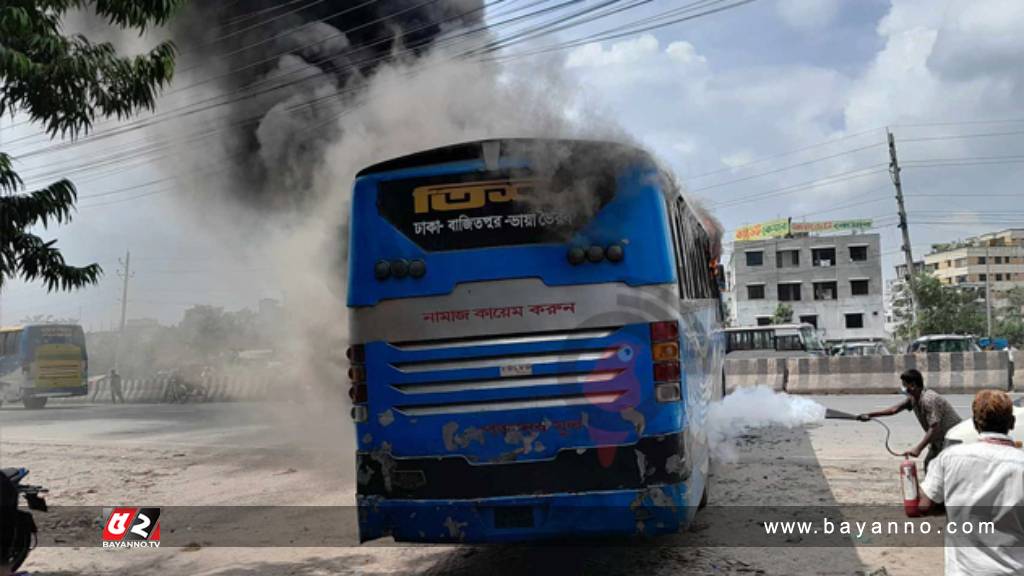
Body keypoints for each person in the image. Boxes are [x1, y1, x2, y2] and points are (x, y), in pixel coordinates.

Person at [917, 389, 1024, 575]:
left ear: (975, 423)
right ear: (1012, 423)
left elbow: (924, 505)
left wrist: (957, 508)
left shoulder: (949, 458)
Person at [856, 369, 962, 472]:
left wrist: (918, 448)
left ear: (913, 385)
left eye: (904, 384)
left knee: (945, 469)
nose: (903, 388)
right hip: (938, 440)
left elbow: (934, 428)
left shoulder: (929, 399)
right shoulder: (914, 398)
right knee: (930, 466)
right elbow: (894, 410)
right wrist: (870, 415)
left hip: (953, 438)